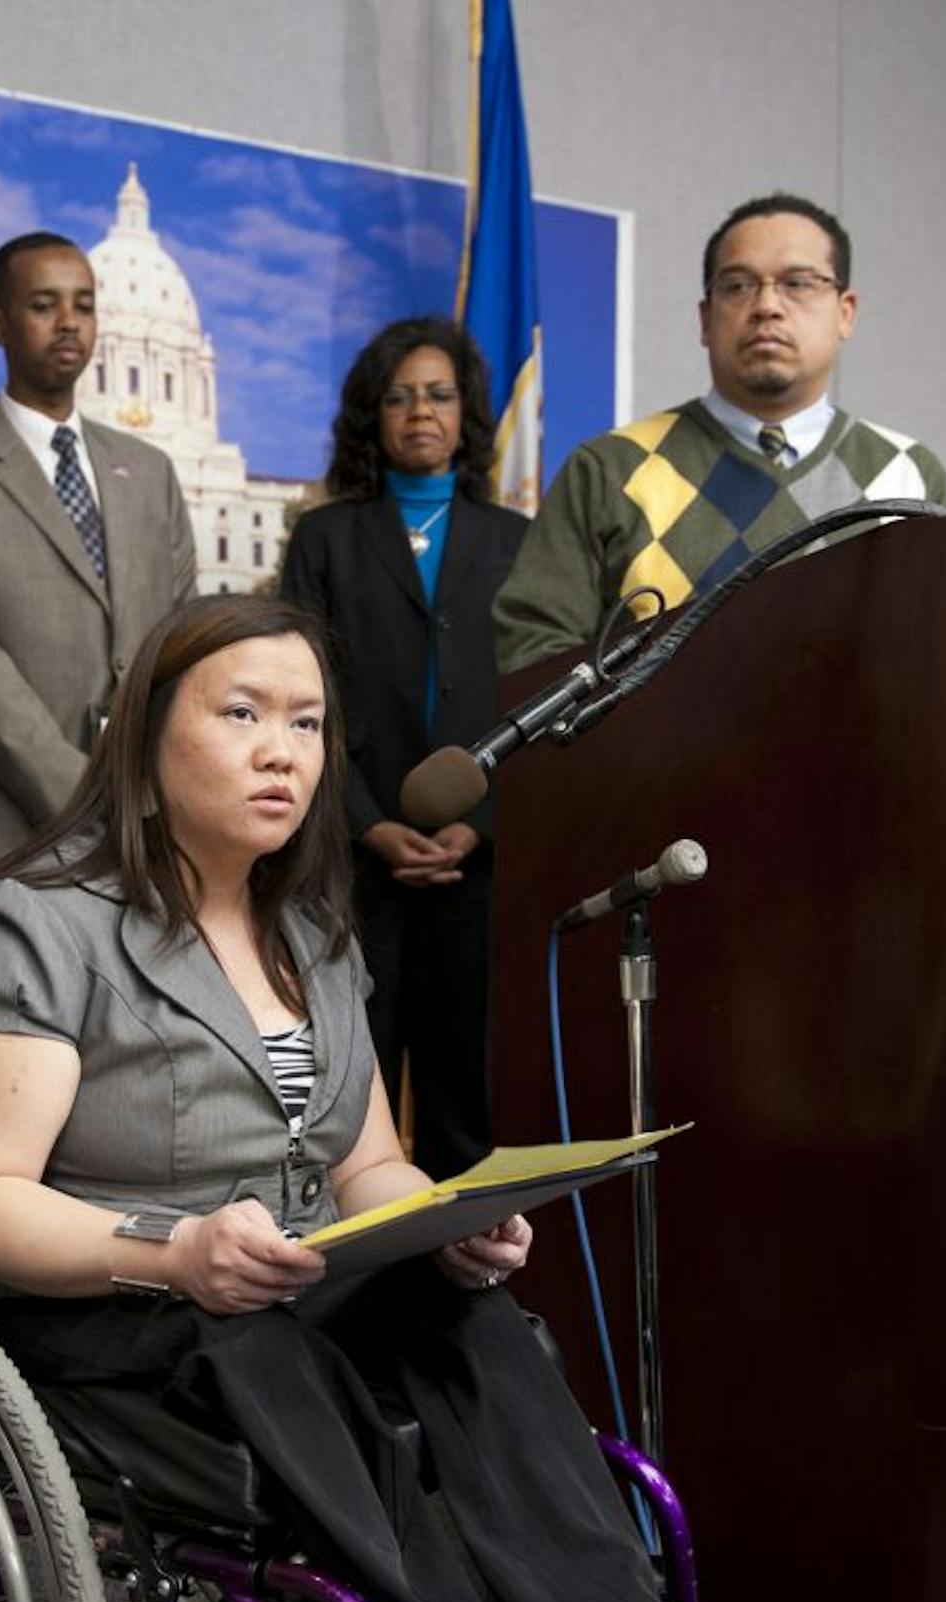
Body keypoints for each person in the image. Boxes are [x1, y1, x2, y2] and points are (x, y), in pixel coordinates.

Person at [0, 595, 662, 1602]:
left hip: (295, 1288)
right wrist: (176, 1252)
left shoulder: (313, 939)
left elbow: (366, 1169)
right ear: (143, 741)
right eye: (242, 714)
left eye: (306, 723)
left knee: (469, 1313)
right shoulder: (34, 925)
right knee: (265, 1344)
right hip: (114, 1312)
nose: (282, 752)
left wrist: (445, 1226)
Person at [494, 193, 946, 671]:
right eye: (737, 286)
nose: (767, 306)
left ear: (846, 312)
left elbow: (937, 656)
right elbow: (533, 655)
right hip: (658, 749)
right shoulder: (610, 469)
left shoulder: (909, 474)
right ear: (704, 318)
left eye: (798, 283)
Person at [280, 316, 527, 1179]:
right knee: (357, 1096)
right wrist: (371, 824)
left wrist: (482, 820)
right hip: (356, 863)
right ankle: (362, 1296)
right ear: (370, 417)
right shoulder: (325, 539)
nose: (420, 410)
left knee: (469, 1099)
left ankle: (472, 1293)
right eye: (398, 396)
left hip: (479, 868)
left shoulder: (514, 541)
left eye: (439, 393)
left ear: (466, 414)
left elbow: (536, 701)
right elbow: (299, 701)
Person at [0, 231, 198, 900]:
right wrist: (96, 804)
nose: (69, 323)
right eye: (44, 305)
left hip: (155, 828)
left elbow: (187, 640)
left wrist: (158, 794)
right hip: (5, 835)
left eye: (84, 305)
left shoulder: (150, 473)